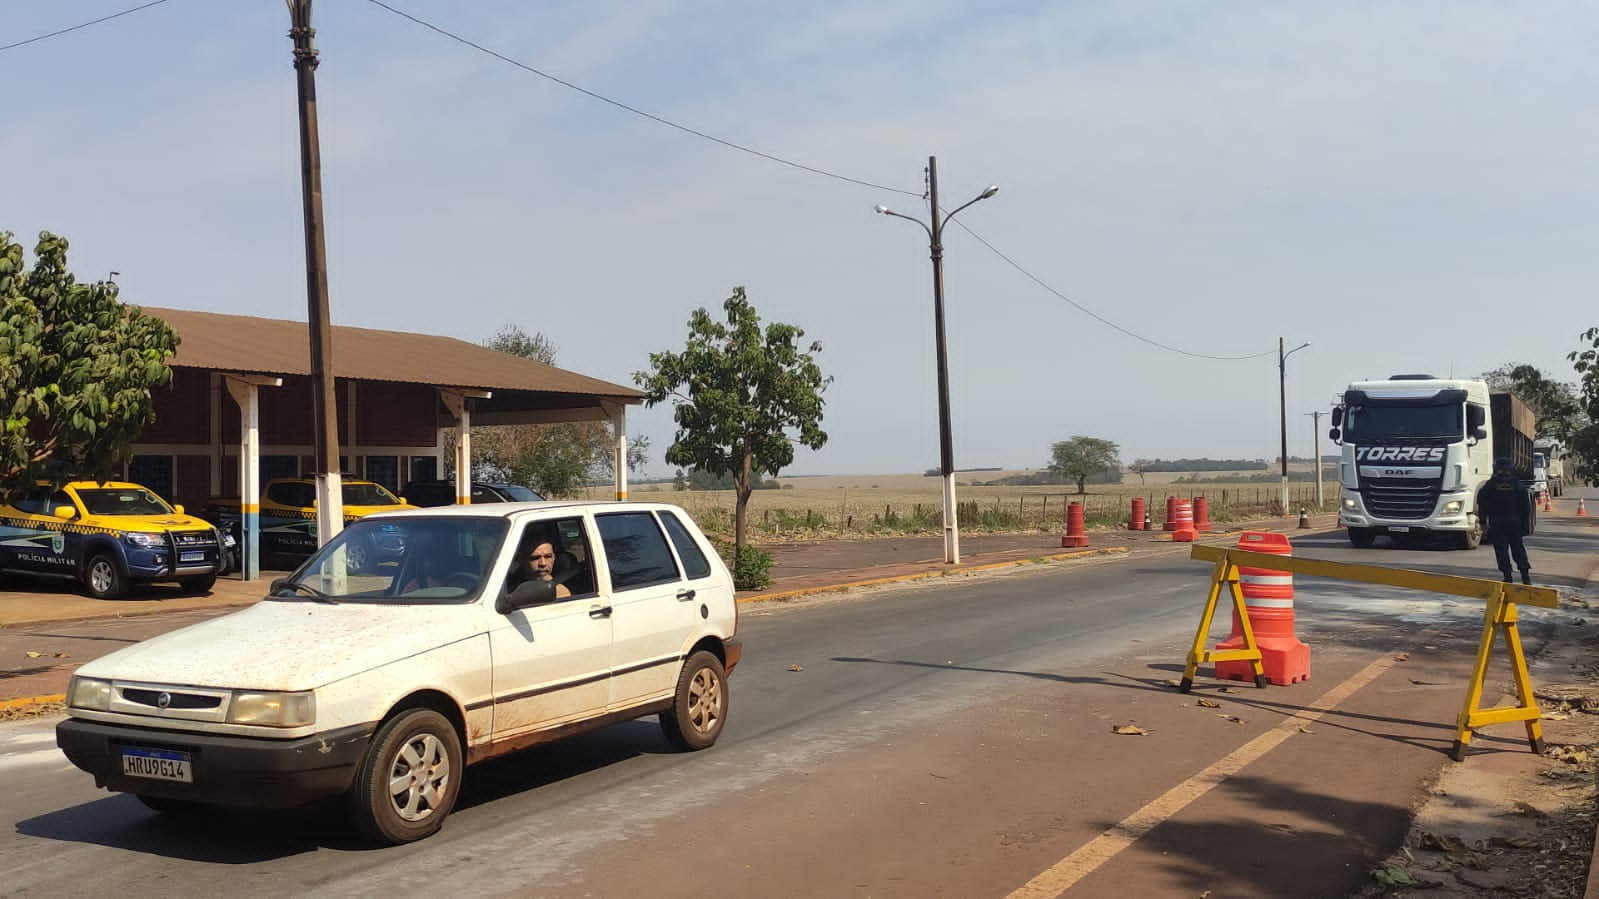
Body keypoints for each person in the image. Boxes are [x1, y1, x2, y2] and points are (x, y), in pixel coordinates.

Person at [1477, 456, 1532, 584]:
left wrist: (1483, 522)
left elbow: (1482, 504)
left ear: (1496, 469)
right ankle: (1525, 576)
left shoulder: (1490, 485)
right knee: (1518, 548)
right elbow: (1526, 506)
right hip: (1515, 522)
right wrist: (1524, 524)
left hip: (1497, 522)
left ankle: (1507, 576)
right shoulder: (1517, 484)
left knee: (1501, 550)